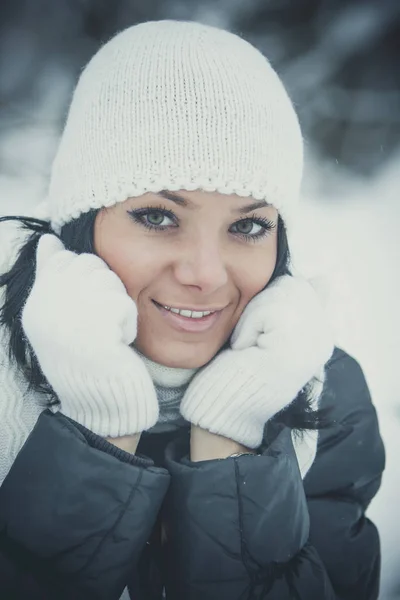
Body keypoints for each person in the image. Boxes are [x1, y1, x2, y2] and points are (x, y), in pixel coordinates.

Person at [0, 20, 385, 600]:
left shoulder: (323, 394)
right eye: (158, 217)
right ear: (82, 223)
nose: (204, 274)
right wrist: (97, 428)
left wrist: (234, 439)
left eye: (248, 226)